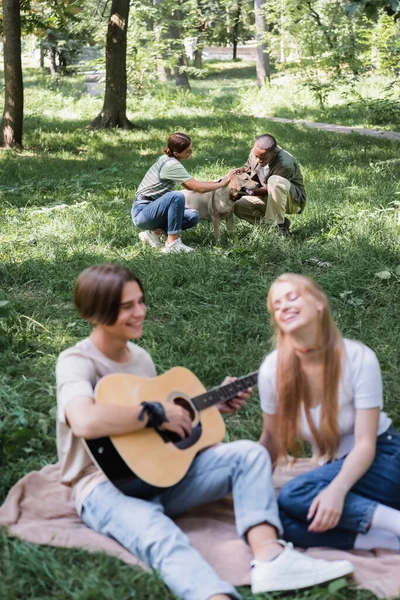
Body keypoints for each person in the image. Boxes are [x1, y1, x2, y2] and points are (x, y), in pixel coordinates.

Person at [56, 263, 353, 600]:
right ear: (97, 311)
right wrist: (155, 412)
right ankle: (213, 595)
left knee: (249, 454)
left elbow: (152, 440)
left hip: (159, 479)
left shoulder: (138, 358)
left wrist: (207, 407)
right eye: (127, 306)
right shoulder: (76, 361)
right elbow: (84, 420)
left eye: (141, 301)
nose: (140, 312)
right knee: (159, 534)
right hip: (102, 487)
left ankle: (271, 557)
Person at [259, 273, 400, 552]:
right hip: (332, 469)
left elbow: (365, 444)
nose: (284, 306)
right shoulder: (272, 369)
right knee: (274, 520)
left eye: (293, 296)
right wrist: (248, 475)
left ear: (319, 303)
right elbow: (271, 440)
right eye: (277, 304)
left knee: (295, 494)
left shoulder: (358, 357)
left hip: (382, 462)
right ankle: (384, 540)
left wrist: (336, 490)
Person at [132, 132, 235, 254]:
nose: (191, 153)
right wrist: (222, 183)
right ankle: (173, 243)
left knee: (192, 216)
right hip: (142, 212)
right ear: (176, 153)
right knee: (176, 197)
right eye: (188, 151)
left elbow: (189, 185)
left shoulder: (167, 159)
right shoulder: (171, 165)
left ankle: (153, 233)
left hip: (152, 210)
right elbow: (197, 187)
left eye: (191, 149)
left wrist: (216, 182)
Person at [234, 134, 306, 237]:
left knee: (274, 181)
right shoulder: (257, 153)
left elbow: (271, 189)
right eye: (256, 156)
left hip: (292, 201)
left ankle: (277, 226)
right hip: (268, 198)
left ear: (274, 153)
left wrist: (248, 191)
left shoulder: (285, 163)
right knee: (239, 205)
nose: (259, 160)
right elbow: (247, 170)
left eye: (263, 158)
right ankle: (274, 230)